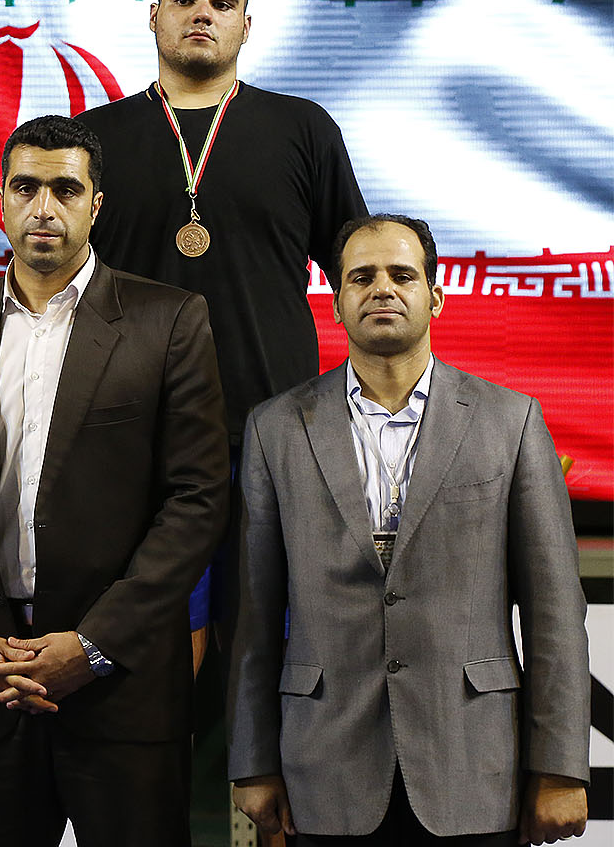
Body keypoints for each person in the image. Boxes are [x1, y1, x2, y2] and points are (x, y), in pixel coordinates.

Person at [0, 116, 229, 844]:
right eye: (25, 187)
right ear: (2, 199)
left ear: (96, 204)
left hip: (122, 683)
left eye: (65, 189)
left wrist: (95, 644)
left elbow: (198, 500)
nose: (43, 207)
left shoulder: (169, 320)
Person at [228, 215, 589, 845]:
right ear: (335, 303)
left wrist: (559, 769)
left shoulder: (511, 422)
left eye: (402, 275)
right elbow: (256, 613)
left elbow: (554, 610)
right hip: (324, 767)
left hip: (474, 766)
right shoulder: (276, 428)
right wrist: (253, 761)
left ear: (436, 296)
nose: (382, 289)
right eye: (361, 277)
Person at [76, 0, 367, 648]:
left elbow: (358, 271)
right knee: (157, 651)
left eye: (222, 2)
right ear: (154, 16)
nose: (202, 13)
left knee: (283, 644)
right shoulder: (94, 138)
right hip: (137, 431)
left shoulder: (302, 129)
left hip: (277, 426)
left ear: (246, 24)